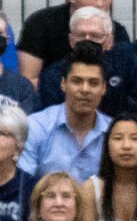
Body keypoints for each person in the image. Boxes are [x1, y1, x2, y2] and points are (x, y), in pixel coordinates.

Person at [35, 7, 137, 124]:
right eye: (81, 35)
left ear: (109, 41)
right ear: (71, 40)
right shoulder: (53, 76)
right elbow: (50, 123)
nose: (87, 40)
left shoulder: (124, 57)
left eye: (95, 35)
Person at [18, 0, 131, 81]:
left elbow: (126, 81)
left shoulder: (118, 32)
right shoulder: (41, 24)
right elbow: (28, 81)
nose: (100, 3)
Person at [19, 44, 113, 183]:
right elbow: (23, 187)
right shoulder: (35, 126)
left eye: (93, 83)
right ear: (63, 84)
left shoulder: (113, 131)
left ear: (103, 88)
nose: (85, 89)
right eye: (77, 81)